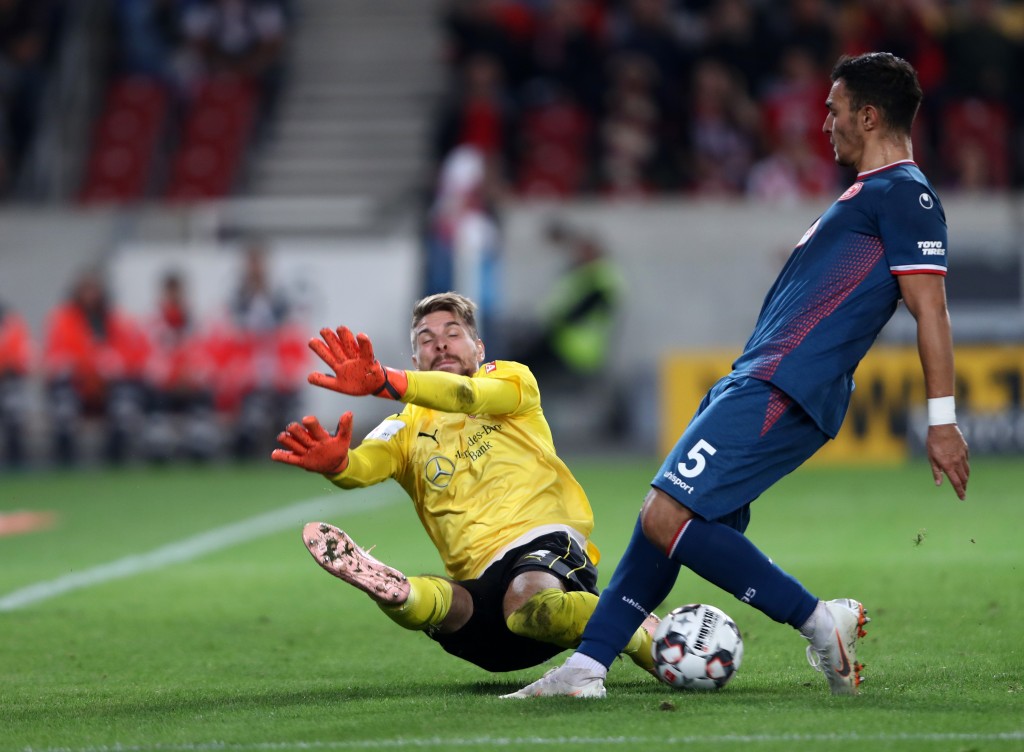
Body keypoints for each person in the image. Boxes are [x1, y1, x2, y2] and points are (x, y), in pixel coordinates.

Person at [504, 52, 970, 699]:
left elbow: (931, 309)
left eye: (834, 110)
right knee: (661, 525)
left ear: (868, 115)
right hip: (766, 378)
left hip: (783, 383)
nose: (824, 122)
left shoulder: (906, 194)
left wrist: (943, 423)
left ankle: (817, 620)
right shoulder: (867, 197)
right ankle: (586, 669)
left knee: (667, 514)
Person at [270, 292, 658, 674]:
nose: (439, 342)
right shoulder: (403, 428)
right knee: (443, 603)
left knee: (529, 605)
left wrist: (386, 381)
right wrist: (337, 463)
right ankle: (396, 591)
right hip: (485, 598)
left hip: (546, 546)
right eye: (426, 338)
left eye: (452, 333)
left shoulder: (510, 380)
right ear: (416, 360)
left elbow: (465, 394)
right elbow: (365, 465)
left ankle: (644, 634)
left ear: (479, 348)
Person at [42, 268, 151, 465]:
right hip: (78, 386)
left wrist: (112, 364)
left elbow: (132, 356)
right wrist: (88, 365)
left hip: (109, 388)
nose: (90, 296)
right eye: (86, 290)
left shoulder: (117, 319)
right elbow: (56, 357)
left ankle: (115, 462)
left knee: (125, 406)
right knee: (63, 406)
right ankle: (65, 463)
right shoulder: (62, 319)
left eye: (94, 290)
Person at [0, 299, 33, 466]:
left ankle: (16, 459)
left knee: (14, 412)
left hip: (10, 381)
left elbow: (22, 357)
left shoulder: (13, 325)